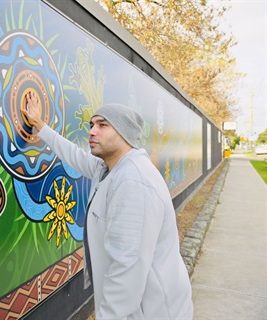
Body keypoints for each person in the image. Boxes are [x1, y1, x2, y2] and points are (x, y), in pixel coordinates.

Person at [22, 92, 193, 319]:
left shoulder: (133, 182)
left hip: (151, 311)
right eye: (92, 125)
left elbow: (127, 269)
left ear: (125, 133)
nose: (92, 131)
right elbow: (74, 155)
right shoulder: (109, 168)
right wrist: (40, 126)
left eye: (103, 125)